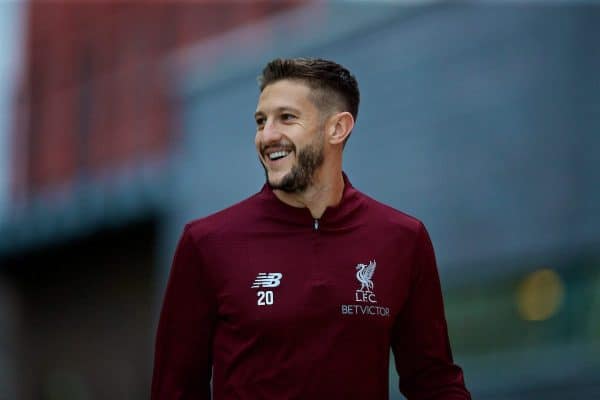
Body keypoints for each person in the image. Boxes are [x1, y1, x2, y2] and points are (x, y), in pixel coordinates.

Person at [151, 57, 470, 399]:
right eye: (261, 122)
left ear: (337, 128)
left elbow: (434, 382)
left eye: (286, 118)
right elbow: (175, 389)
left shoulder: (402, 239)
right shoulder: (207, 243)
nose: (267, 136)